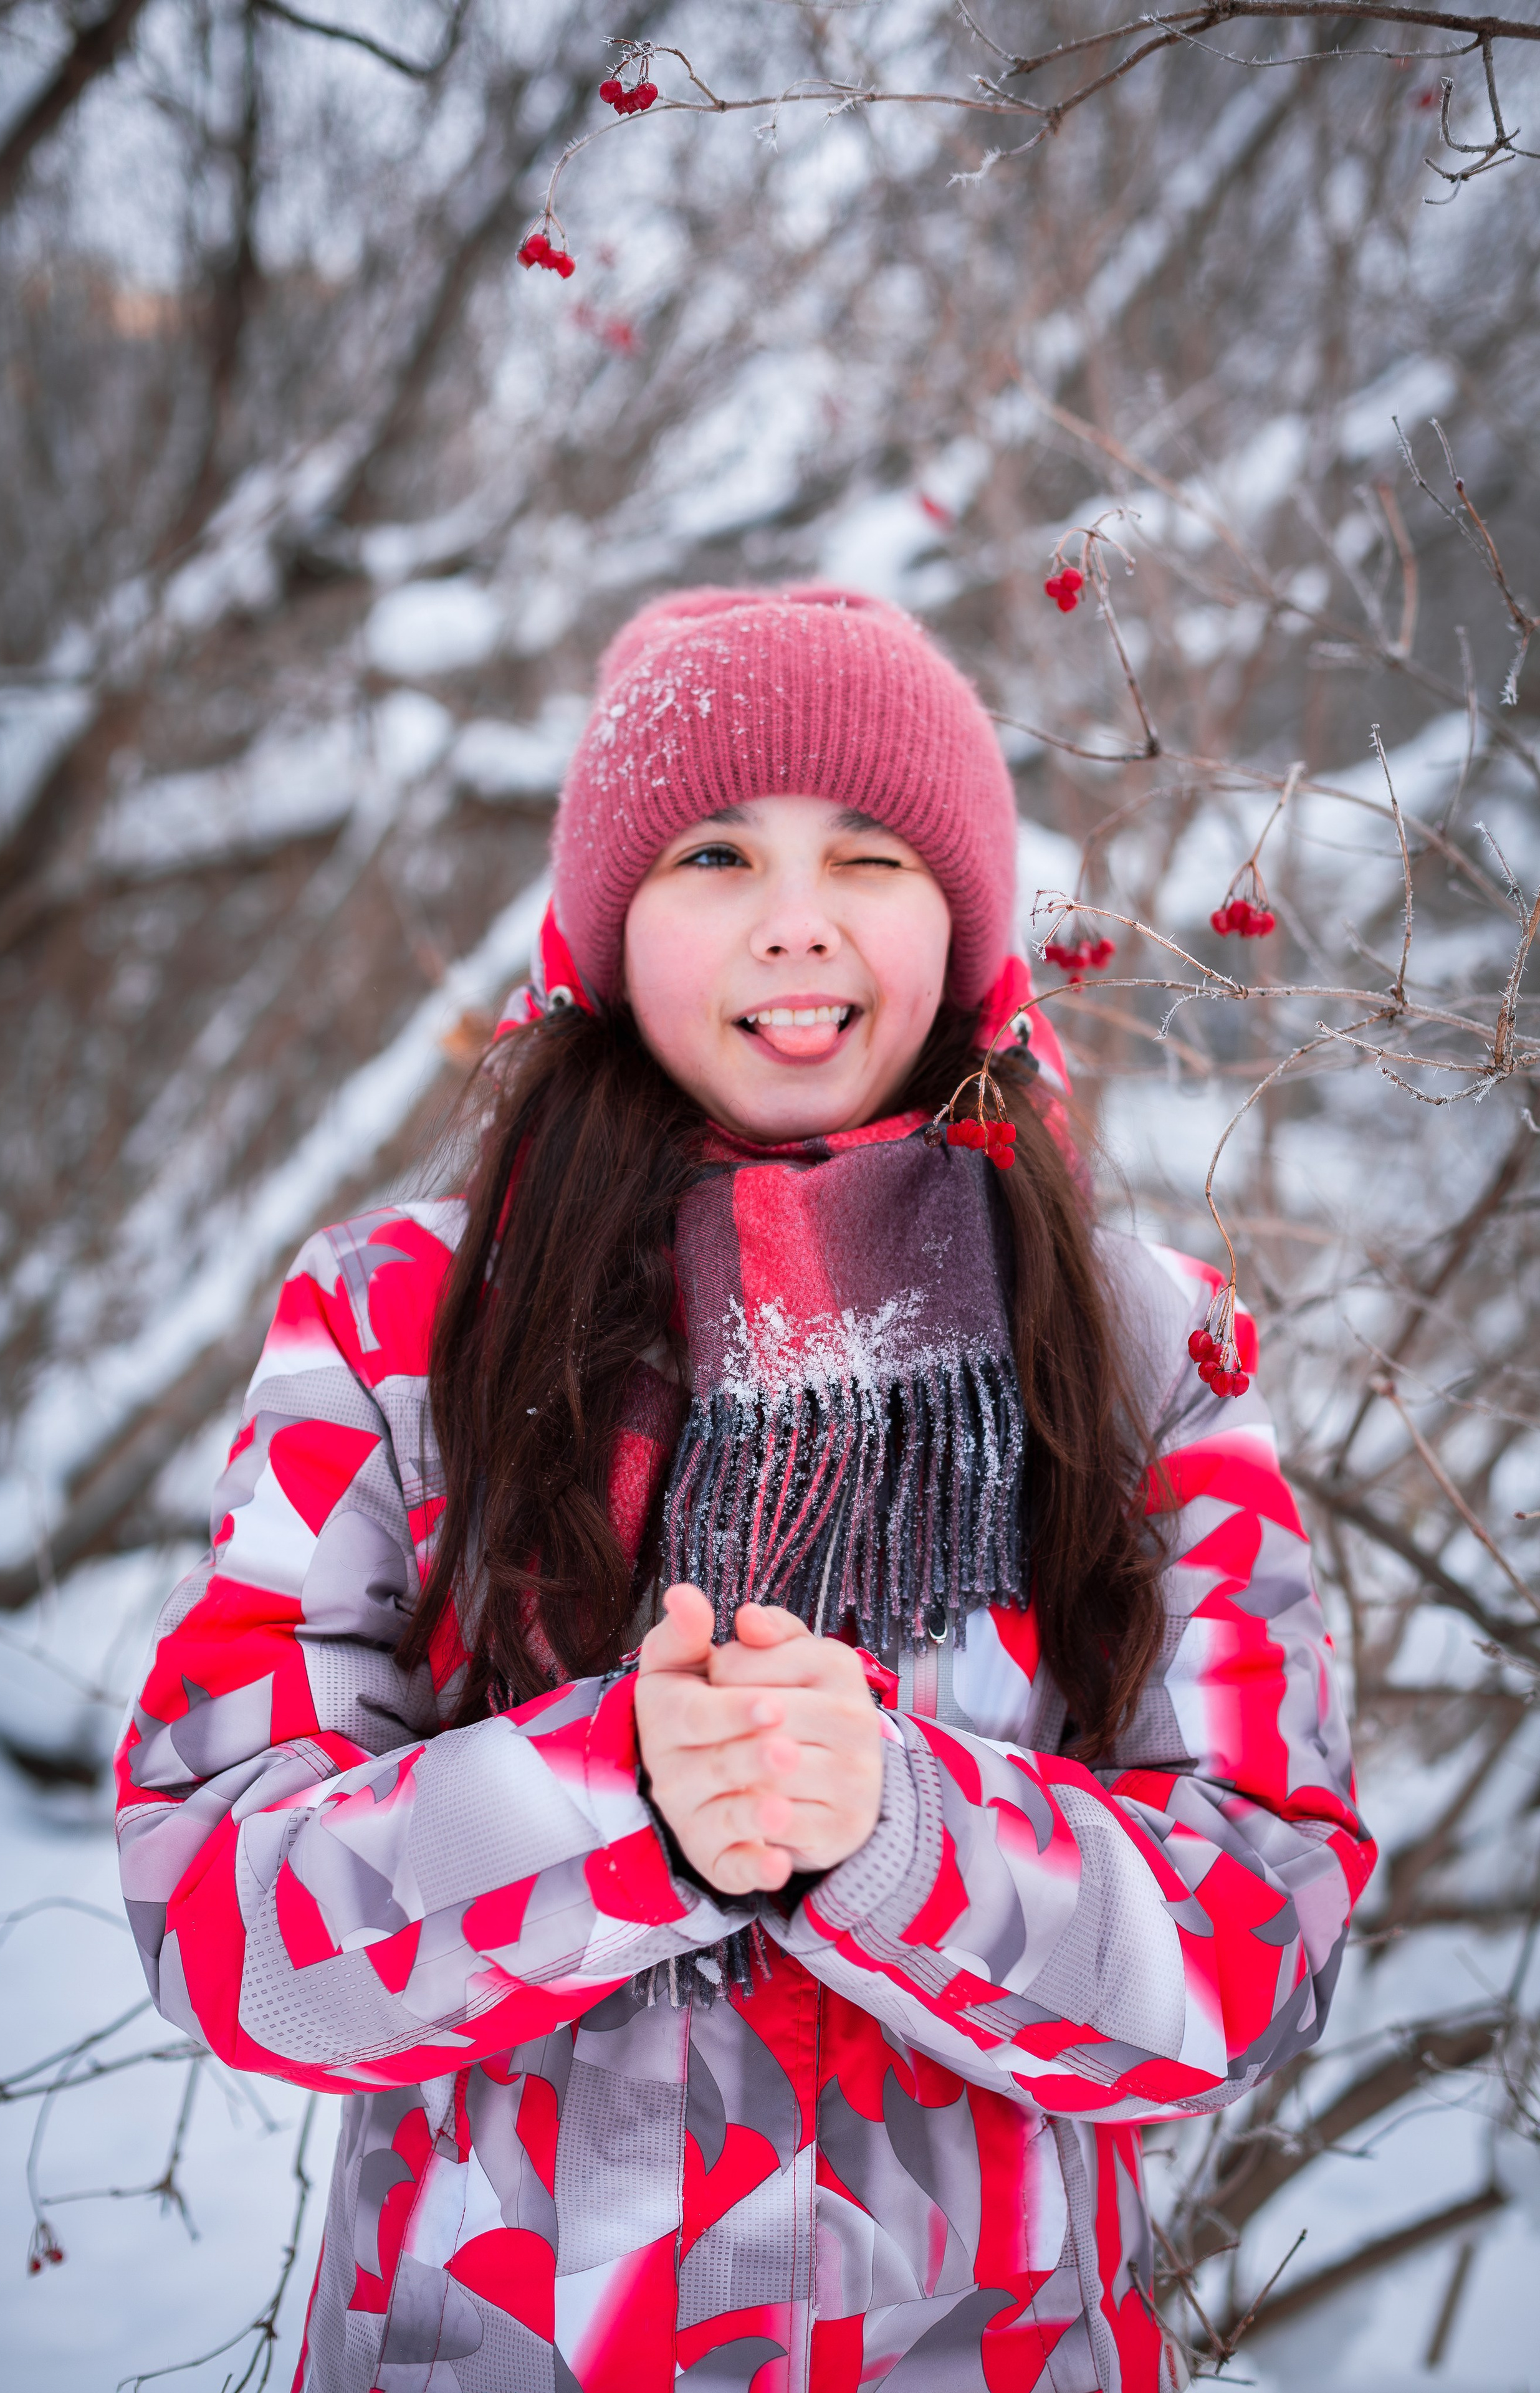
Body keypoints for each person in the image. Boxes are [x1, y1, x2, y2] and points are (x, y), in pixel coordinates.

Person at [115, 586, 1372, 2393]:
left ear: (965, 924)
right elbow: (225, 1917)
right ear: (615, 925)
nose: (798, 925)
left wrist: (901, 1836)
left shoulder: (1142, 1344)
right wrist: (616, 1801)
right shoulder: (401, 1325)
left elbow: (1259, 1934)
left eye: (870, 856)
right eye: (716, 854)